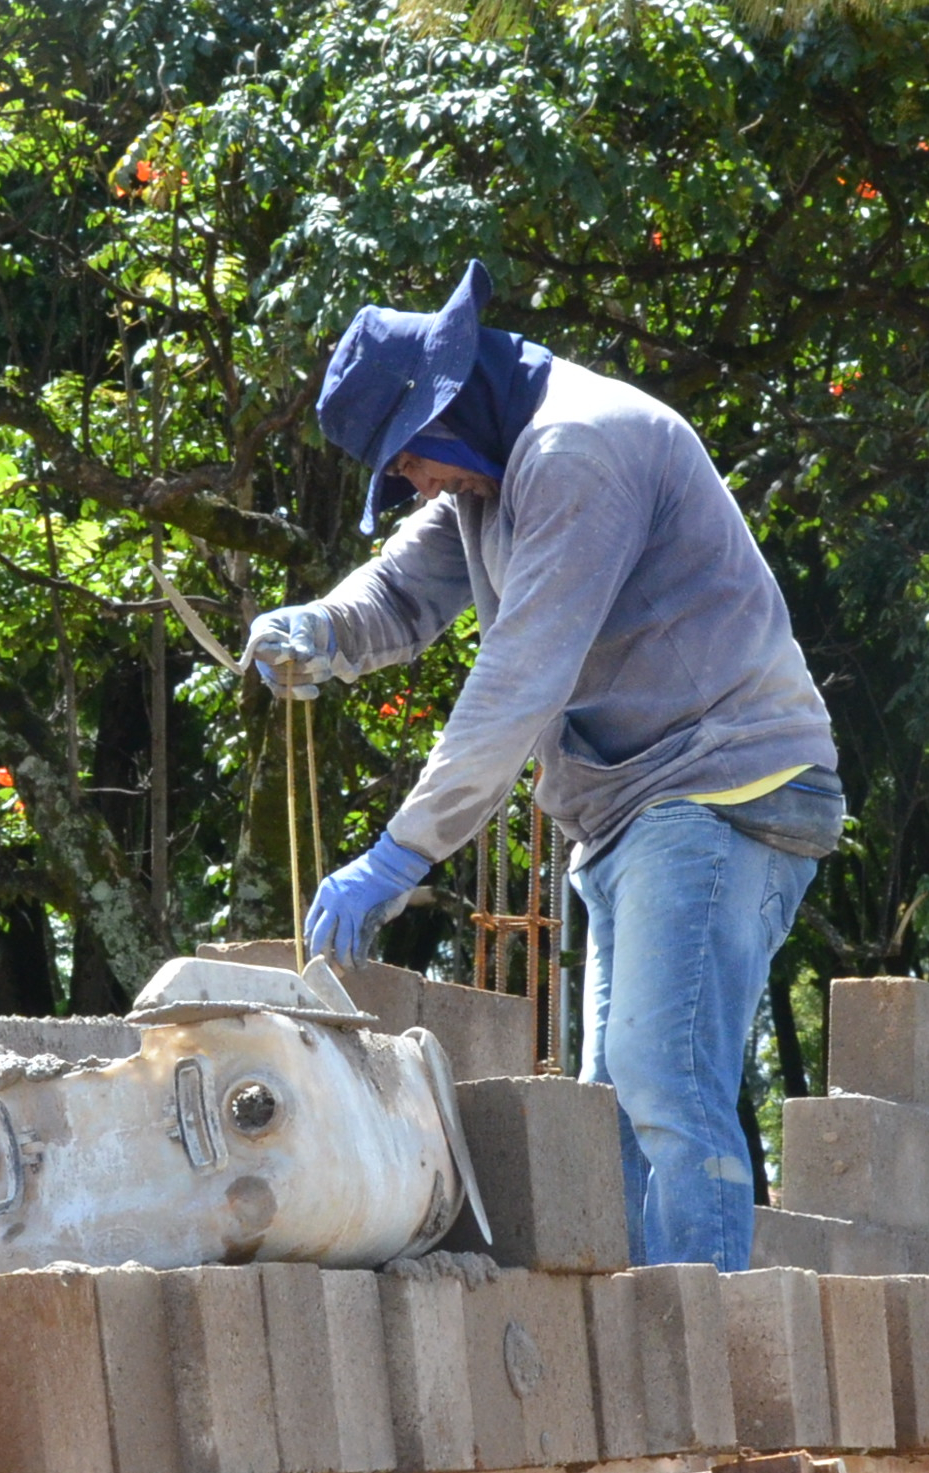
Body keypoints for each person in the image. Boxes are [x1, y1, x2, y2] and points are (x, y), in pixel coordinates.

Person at [247, 262, 840, 1272]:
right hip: (628, 808)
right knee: (610, 1109)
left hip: (719, 783)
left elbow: (519, 679)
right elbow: (399, 593)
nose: (413, 484)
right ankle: (644, 1361)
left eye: (410, 462)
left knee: (663, 1080)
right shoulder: (488, 467)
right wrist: (319, 630)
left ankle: (704, 1360)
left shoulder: (578, 451)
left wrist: (401, 855)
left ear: (449, 408)